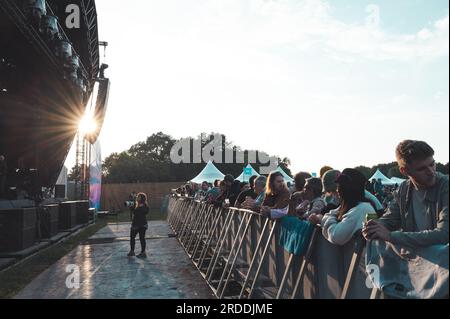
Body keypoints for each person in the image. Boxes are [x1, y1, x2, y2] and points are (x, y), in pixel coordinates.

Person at [363, 140, 448, 298]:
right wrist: (374, 228)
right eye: (422, 168)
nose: (431, 171)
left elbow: (444, 234)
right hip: (420, 275)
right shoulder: (404, 189)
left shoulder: (446, 186)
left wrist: (390, 236)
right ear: (404, 171)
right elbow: (390, 218)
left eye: (432, 164)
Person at [318, 168, 376, 245]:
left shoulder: (363, 208)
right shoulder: (352, 205)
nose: (337, 190)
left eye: (339, 186)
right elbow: (332, 213)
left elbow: (336, 236)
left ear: (347, 188)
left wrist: (323, 219)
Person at [128, 192, 150, 258]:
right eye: (137, 196)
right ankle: (132, 251)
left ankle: (143, 252)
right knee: (132, 237)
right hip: (139, 224)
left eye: (138, 197)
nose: (137, 198)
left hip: (140, 224)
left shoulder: (145, 205)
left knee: (141, 238)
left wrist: (138, 207)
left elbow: (145, 212)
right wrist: (131, 207)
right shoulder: (136, 205)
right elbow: (134, 212)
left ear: (142, 198)